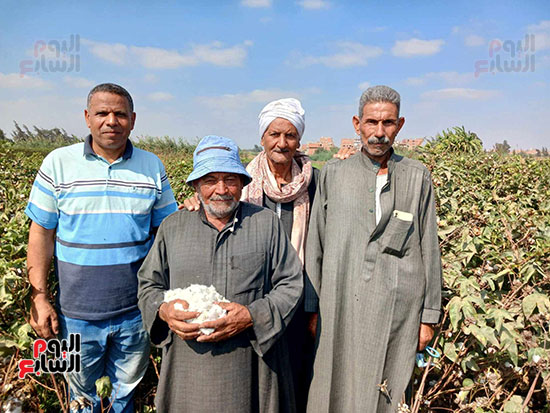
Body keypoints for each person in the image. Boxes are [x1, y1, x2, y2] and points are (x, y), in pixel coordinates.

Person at [25, 83, 177, 412]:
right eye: (102, 113)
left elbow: (168, 230)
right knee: (81, 399)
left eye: (120, 114)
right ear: (87, 118)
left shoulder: (152, 167)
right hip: (75, 316)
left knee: (123, 396)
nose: (111, 121)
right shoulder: (58, 163)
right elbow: (41, 234)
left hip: (134, 313)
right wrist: (39, 297)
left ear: (133, 120)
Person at [137, 135, 304, 413]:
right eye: (210, 180)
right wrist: (164, 311)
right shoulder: (173, 227)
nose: (221, 189)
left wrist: (251, 316)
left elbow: (290, 283)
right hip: (188, 365)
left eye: (230, 179)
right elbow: (148, 284)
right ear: (195, 186)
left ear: (242, 183)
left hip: (249, 363)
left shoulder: (264, 224)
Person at [305, 85, 442, 412]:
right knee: (332, 388)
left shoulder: (416, 177)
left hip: (397, 311)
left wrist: (429, 317)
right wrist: (312, 307)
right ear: (357, 124)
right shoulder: (334, 175)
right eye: (371, 123)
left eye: (388, 123)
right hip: (340, 305)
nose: (379, 132)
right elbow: (317, 243)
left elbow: (429, 248)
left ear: (400, 125)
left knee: (385, 393)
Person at [183, 98, 319, 411]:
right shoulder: (240, 181)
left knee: (296, 381)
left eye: (290, 135)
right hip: (250, 300)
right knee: (258, 384)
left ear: (299, 140)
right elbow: (214, 204)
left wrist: (311, 308)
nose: (282, 143)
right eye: (274, 134)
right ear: (262, 138)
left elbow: (320, 246)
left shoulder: (315, 183)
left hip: (298, 300)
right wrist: (196, 203)